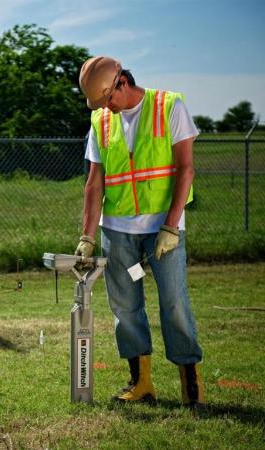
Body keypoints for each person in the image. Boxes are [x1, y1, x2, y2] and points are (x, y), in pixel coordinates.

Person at [76, 56, 205, 408]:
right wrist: (87, 236)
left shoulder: (169, 106)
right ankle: (141, 382)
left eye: (107, 100)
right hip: (117, 230)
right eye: (100, 104)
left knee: (174, 303)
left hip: (164, 228)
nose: (106, 109)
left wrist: (171, 225)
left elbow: (186, 170)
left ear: (122, 83)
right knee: (125, 307)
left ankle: (190, 384)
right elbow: (94, 183)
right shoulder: (101, 121)